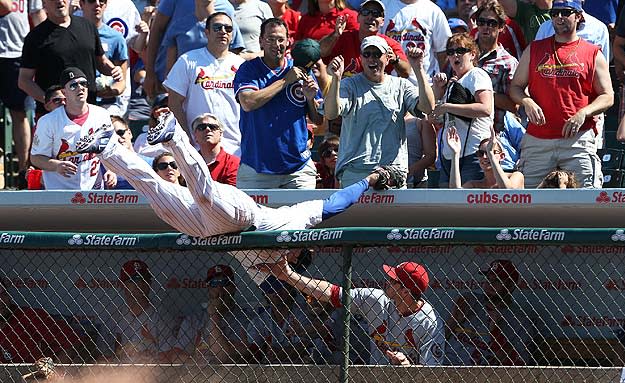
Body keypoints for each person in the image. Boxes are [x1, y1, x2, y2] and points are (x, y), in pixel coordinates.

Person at [74, 110, 404, 266]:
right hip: (246, 214)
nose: (291, 254)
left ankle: (109, 148)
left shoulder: (270, 269)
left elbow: (284, 290)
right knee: (203, 193)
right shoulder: (300, 221)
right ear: (305, 247)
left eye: (293, 257)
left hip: (207, 232)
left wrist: (286, 274)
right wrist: (370, 180)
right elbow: (335, 203)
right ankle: (175, 136)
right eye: (299, 252)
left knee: (156, 197)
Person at [509, 0, 614, 188]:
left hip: (577, 140)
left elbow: (608, 96)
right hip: (537, 140)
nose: (559, 17)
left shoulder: (592, 53)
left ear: (579, 16)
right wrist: (527, 102)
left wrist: (583, 113)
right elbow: (515, 87)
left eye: (565, 12)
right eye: (555, 13)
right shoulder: (534, 48)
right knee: (530, 205)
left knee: (585, 201)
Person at [264, 258, 445, 366]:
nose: (386, 281)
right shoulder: (375, 299)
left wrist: (407, 366)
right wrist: (287, 275)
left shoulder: (430, 321)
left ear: (405, 291)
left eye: (393, 280)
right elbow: (330, 292)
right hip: (374, 380)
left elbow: (431, 373)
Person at [325, 37, 435, 187]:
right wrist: (336, 79)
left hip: (392, 173)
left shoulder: (401, 85)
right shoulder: (349, 85)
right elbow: (331, 113)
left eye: (377, 54)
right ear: (361, 58)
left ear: (388, 58)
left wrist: (418, 68)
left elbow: (427, 108)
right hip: (355, 173)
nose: (372, 58)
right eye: (367, 54)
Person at [234, 18, 322, 189]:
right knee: (252, 217)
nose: (276, 44)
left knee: (303, 216)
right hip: (257, 168)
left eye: (281, 39)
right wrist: (285, 81)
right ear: (261, 41)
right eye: (271, 38)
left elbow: (319, 120)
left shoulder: (301, 69)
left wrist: (310, 99)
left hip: (298, 169)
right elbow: (248, 102)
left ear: (289, 41)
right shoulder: (249, 69)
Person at [18, 0, 123, 116]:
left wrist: (114, 70)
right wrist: (49, 100)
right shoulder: (35, 37)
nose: (59, 1)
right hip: (54, 116)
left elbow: (101, 62)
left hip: (88, 111)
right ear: (44, 3)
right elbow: (24, 80)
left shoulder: (88, 26)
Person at [163, 12, 244, 156]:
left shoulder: (241, 65)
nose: (223, 32)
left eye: (228, 29)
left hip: (235, 148)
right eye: (217, 27)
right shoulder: (188, 60)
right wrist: (187, 139)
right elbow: (174, 102)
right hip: (197, 147)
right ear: (207, 32)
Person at [30, 67, 116, 190]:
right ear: (64, 93)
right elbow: (36, 157)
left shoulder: (102, 115)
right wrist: (56, 165)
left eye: (83, 84)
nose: (80, 88)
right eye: (73, 85)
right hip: (59, 191)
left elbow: (111, 149)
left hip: (93, 189)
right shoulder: (48, 121)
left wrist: (111, 170)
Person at [430, 33, 494, 186]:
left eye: (460, 50)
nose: (455, 55)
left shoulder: (477, 74)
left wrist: (447, 107)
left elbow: (485, 108)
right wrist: (438, 90)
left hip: (473, 154)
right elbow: (434, 117)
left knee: (468, 206)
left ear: (472, 54)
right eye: (450, 52)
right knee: (447, 205)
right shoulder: (454, 82)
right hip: (450, 154)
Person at [445, 259, 535, 366]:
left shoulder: (520, 321)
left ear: (510, 286)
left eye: (497, 281)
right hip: (446, 367)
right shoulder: (470, 301)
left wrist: (496, 332)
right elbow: (439, 338)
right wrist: (453, 320)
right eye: (488, 279)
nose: (489, 285)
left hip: (483, 377)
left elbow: (519, 366)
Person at [0, 0, 45, 188]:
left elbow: (37, 15)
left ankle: (23, 170)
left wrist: (46, 42)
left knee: (19, 114)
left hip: (17, 52)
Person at [109, 259, 184, 363]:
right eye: (134, 279)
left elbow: (167, 358)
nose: (139, 284)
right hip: (119, 375)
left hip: (152, 374)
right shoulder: (114, 315)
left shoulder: (162, 316)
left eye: (144, 279)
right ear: (123, 284)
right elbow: (104, 357)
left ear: (150, 283)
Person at [174, 264, 253, 363]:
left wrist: (214, 315)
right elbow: (176, 355)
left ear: (234, 287)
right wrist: (196, 364)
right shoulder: (193, 319)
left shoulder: (246, 319)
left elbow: (224, 358)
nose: (220, 289)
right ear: (208, 288)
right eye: (214, 283)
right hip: (199, 375)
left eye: (225, 283)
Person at [318, 0, 410, 78]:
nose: (370, 17)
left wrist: (395, 60)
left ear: (382, 21)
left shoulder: (389, 44)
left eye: (376, 14)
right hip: (346, 94)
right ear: (358, 18)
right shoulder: (344, 38)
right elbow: (321, 51)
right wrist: (335, 34)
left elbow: (406, 72)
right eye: (365, 12)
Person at [0, 283, 81, 363]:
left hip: (37, 372)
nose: (1, 300)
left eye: (4, 294)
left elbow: (72, 343)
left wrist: (56, 373)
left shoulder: (28, 316)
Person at [473, 0, 519, 134]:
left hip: (493, 135)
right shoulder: (462, 53)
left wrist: (481, 94)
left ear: (501, 27)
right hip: (460, 134)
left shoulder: (508, 62)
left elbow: (513, 105)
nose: (485, 27)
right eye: (481, 22)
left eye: (492, 23)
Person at [80, 0, 129, 117]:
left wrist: (109, 91)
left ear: (106, 5)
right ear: (81, 4)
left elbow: (121, 82)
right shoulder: (72, 34)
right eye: (91, 0)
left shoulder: (116, 38)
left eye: (102, 1)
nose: (97, 4)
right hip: (79, 102)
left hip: (107, 106)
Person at [381, 0, 452, 80]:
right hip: (390, 83)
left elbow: (443, 53)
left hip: (424, 84)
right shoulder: (383, 6)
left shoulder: (433, 10)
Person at [445, 125, 524, 188]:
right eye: (480, 153)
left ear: (502, 156)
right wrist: (455, 154)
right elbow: (455, 194)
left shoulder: (516, 176)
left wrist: (491, 156)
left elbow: (507, 192)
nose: (485, 156)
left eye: (489, 153)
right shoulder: (475, 185)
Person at [190, 113, 240, 186]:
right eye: (201, 127)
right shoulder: (189, 162)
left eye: (212, 127)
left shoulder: (233, 163)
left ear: (221, 134)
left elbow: (232, 192)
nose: (207, 129)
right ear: (195, 136)